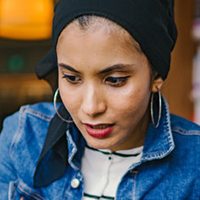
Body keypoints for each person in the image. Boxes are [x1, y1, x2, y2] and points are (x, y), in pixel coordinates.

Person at [0, 0, 200, 199]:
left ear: (156, 75)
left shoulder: (194, 164)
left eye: (114, 80)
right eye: (72, 78)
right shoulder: (22, 137)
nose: (91, 107)